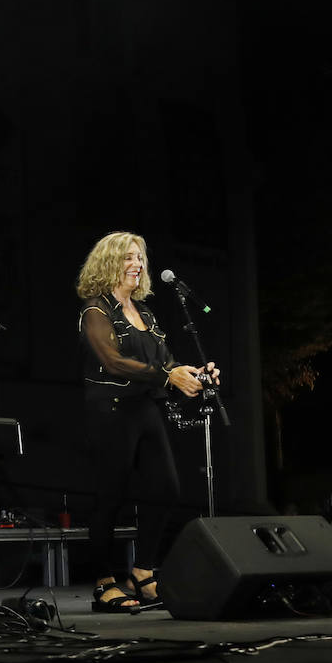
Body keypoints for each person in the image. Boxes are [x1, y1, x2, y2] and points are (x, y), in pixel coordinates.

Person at [76, 231, 219, 613]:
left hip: (145, 410)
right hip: (111, 410)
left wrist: (193, 373)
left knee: (166, 489)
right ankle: (104, 583)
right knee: (111, 497)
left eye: (139, 258)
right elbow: (114, 361)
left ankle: (141, 571)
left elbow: (166, 363)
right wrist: (167, 376)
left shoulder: (148, 315)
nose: (136, 265)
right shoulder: (96, 311)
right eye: (127, 258)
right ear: (108, 263)